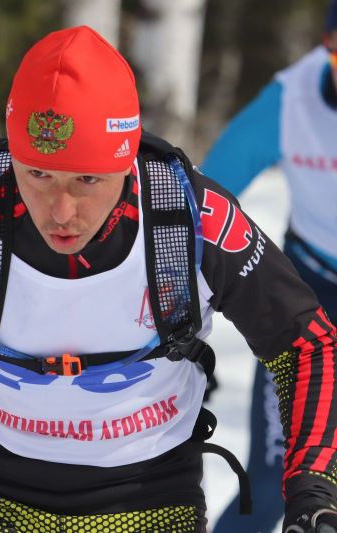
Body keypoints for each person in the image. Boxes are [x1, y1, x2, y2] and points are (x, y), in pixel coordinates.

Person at [0, 26, 337, 533]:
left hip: (149, 501)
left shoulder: (189, 218)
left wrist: (313, 489)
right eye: (38, 174)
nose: (61, 211)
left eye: (87, 179)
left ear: (127, 162)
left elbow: (305, 345)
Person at [201, 2, 337, 531]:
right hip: (308, 297)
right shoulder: (290, 99)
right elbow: (201, 204)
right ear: (327, 46)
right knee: (274, 479)